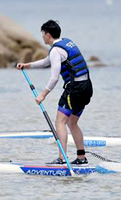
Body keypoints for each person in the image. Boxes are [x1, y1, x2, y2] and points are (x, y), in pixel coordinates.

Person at [17, 20, 93, 165]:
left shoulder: (56, 50)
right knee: (72, 122)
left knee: (60, 121)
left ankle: (62, 158)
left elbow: (54, 77)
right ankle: (81, 158)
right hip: (87, 86)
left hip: (75, 89)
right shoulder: (66, 42)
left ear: (48, 35)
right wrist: (28, 65)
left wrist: (43, 94)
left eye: (43, 34)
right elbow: (47, 62)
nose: (42, 37)